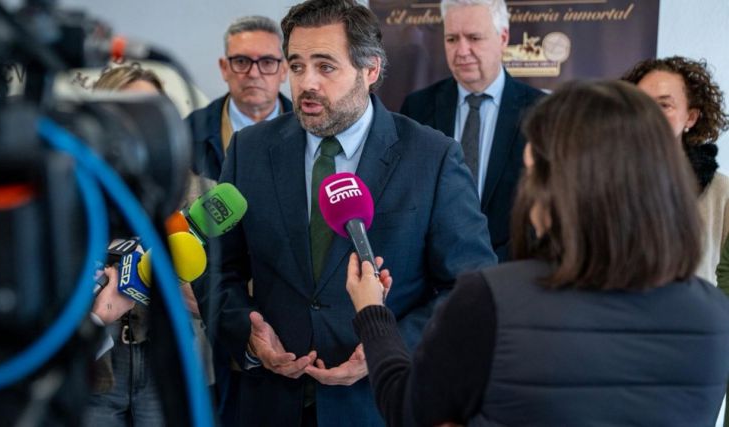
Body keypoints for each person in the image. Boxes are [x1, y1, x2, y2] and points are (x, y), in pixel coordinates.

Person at [348, 80, 729, 427]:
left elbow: (407, 408)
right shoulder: (714, 313)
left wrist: (372, 314)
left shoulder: (491, 299)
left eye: (531, 173)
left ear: (559, 188)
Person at [204, 0, 496, 425]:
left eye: (325, 66)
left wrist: (388, 345)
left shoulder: (432, 157)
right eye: (297, 65)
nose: (307, 83)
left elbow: (471, 290)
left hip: (378, 404)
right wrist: (246, 335)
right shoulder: (250, 150)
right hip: (270, 404)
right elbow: (216, 267)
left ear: (370, 70)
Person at [84, 65, 209, 427]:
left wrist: (193, 293)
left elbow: (226, 294)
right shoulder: (73, 186)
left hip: (164, 359)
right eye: (128, 111)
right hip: (95, 363)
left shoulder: (198, 192)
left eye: (152, 111)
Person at [399, 0, 544, 261]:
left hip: (513, 269)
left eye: (474, 38)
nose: (462, 51)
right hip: (435, 274)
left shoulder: (541, 111)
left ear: (503, 38)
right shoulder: (417, 108)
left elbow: (546, 205)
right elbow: (408, 201)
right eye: (452, 39)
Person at [622, 56, 729, 286]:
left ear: (690, 117)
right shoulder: (603, 181)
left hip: (695, 309)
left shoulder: (721, 192)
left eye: (664, 105)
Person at [186, 15, 292, 181]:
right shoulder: (188, 134)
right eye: (241, 61)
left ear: (284, 70)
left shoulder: (310, 130)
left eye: (267, 62)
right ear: (224, 68)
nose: (254, 74)